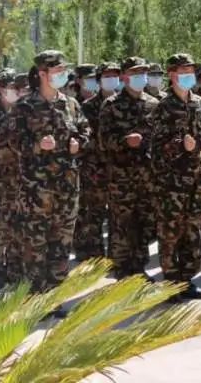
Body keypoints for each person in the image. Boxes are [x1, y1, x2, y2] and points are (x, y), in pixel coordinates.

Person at [10, 51, 89, 314]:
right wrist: (37, 145)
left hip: (67, 189)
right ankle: (35, 302)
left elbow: (85, 130)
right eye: (56, 71)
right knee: (35, 246)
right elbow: (12, 142)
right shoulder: (24, 106)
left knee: (61, 246)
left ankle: (55, 299)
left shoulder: (71, 104)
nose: (61, 75)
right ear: (42, 74)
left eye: (63, 70)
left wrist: (79, 143)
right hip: (37, 192)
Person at [148, 54, 201, 300]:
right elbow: (155, 148)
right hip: (171, 183)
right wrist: (179, 145)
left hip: (196, 178)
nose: (188, 75)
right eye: (183, 71)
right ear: (172, 74)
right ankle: (170, 284)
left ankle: (186, 281)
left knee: (192, 231)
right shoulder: (162, 106)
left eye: (190, 71)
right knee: (170, 233)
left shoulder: (199, 103)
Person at [100, 56, 160, 279]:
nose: (140, 77)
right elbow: (103, 141)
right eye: (135, 73)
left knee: (144, 223)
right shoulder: (112, 105)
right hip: (121, 178)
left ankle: (139, 269)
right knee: (122, 225)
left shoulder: (153, 104)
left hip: (146, 175)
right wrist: (125, 141)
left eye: (143, 73)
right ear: (124, 77)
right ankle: (121, 271)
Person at [75, 62, 115, 260]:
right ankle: (90, 255)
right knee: (92, 215)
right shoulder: (88, 107)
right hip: (93, 169)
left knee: (117, 216)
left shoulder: (119, 103)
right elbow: (84, 137)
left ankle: (116, 257)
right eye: (107, 76)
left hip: (118, 168)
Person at [0, 69, 20, 288]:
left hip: (20, 180)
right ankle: (0, 268)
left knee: (18, 226)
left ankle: (15, 268)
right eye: (9, 87)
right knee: (0, 226)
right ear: (0, 89)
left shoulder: (23, 112)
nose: (13, 91)